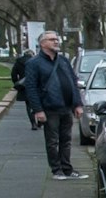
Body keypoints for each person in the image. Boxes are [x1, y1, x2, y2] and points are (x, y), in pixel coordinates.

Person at [21, 32, 87, 180]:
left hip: (66, 106)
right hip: (49, 108)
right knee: (52, 141)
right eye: (52, 40)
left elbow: (73, 82)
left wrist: (77, 104)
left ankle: (67, 169)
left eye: (57, 39)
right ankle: (56, 170)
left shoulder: (63, 61)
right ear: (42, 43)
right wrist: (38, 110)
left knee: (66, 140)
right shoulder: (34, 63)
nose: (56, 42)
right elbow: (31, 88)